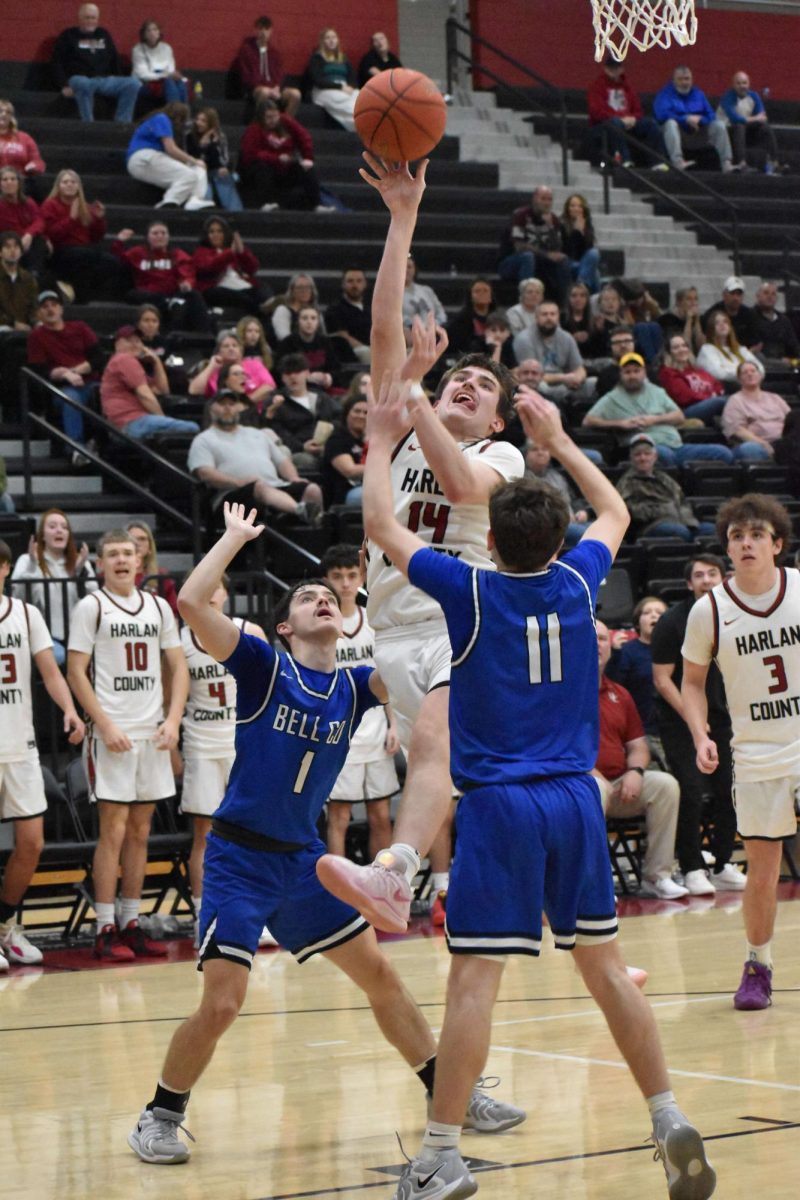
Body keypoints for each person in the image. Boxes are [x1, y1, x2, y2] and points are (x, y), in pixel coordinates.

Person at [354, 376, 713, 1199]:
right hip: (577, 802)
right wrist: (558, 440)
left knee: (474, 980)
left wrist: (381, 440)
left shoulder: (471, 591)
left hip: (502, 807)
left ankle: (441, 1155)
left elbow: (380, 524)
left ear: (494, 540)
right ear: (558, 539)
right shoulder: (582, 581)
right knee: (609, 971)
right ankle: (666, 1116)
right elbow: (616, 512)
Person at [127, 503, 524, 1166]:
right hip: (240, 858)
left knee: (382, 978)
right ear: (284, 625)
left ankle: (448, 1093)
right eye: (306, 597)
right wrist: (230, 536)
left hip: (306, 864)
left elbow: (436, 677)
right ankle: (160, 1113)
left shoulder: (358, 685)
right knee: (223, 1003)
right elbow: (193, 601)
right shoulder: (262, 665)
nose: (322, 599)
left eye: (329, 595)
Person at [315, 155, 525, 938]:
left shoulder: (502, 459)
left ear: (498, 419)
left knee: (437, 745)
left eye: (482, 388)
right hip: (393, 631)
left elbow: (464, 487)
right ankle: (552, 913)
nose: (466, 385)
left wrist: (415, 392)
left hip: (462, 618)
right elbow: (382, 325)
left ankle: (397, 874)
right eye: (458, 380)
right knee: (470, 779)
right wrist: (403, 215)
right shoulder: (399, 428)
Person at [681, 494, 800, 1010]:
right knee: (762, 867)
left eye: (756, 534)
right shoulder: (709, 610)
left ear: (777, 544)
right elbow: (691, 682)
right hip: (756, 752)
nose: (745, 542)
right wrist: (701, 732)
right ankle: (758, 964)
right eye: (736, 536)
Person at [67, 527, 188, 961]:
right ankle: (104, 927)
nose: (121, 559)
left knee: (141, 831)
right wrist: (103, 723)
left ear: (140, 561)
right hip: (112, 735)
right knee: (113, 832)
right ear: (101, 563)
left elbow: (178, 667)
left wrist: (173, 721)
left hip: (151, 733)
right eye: (113, 553)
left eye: (128, 552)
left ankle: (132, 921)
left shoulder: (158, 607)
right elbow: (75, 672)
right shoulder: (91, 606)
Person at [0, 538, 85, 970]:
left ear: (3, 570)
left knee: (31, 843)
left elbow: (50, 671)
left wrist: (70, 709)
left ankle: (3, 925)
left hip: (20, 747)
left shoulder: (26, 613)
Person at [177, 573, 266, 943]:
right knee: (206, 834)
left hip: (243, 743)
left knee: (255, 832)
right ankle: (205, 915)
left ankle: (255, 913)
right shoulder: (178, 641)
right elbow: (174, 695)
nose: (211, 594)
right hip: (200, 742)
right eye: (204, 586)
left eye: (216, 587)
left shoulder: (252, 631)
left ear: (226, 594)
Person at [651, 554, 744, 896]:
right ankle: (691, 867)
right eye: (700, 576)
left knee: (730, 790)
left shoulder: (736, 617)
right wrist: (695, 720)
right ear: (689, 584)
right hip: (678, 720)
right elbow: (662, 679)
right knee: (689, 790)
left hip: (723, 717)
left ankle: (723, 864)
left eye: (713, 573)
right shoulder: (673, 621)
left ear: (724, 578)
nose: (707, 580)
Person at [596, 619, 686, 899]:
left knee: (665, 785)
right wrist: (593, 776)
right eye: (588, 638)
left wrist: (635, 770)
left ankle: (657, 877)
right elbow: (560, 750)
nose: (595, 644)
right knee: (593, 790)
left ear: (610, 646)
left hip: (620, 784)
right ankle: (594, 884)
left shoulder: (619, 694)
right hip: (582, 783)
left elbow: (638, 745)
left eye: (601, 639)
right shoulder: (561, 692)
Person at [321, 544, 399, 858]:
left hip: (376, 730)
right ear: (325, 578)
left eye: (352, 575)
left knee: (380, 814)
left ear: (362, 577)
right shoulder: (320, 623)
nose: (345, 583)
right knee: (338, 817)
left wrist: (394, 723)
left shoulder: (375, 620)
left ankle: (383, 888)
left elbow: (388, 676)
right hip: (339, 731)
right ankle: (338, 898)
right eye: (337, 576)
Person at [187, 390, 323, 523]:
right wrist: (238, 482)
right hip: (232, 495)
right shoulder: (204, 439)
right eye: (222, 404)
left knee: (312, 489)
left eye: (232, 404)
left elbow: (282, 461)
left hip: (274, 487)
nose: (228, 408)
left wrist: (294, 478)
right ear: (211, 409)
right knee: (259, 486)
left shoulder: (257, 433)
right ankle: (299, 509)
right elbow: (205, 473)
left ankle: (316, 532)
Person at [583, 352, 734, 466]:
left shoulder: (657, 391)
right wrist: (620, 424)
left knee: (723, 453)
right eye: (627, 372)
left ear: (644, 372)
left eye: (636, 371)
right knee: (663, 454)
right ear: (620, 375)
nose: (632, 376)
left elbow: (679, 416)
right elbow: (588, 421)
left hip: (677, 446)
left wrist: (655, 419)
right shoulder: (612, 398)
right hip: (647, 450)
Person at [11, 508, 98, 666]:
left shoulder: (80, 561)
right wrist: (32, 567)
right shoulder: (26, 560)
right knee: (58, 656)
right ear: (42, 535)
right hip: (43, 636)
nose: (59, 530)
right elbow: (17, 598)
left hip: (78, 635)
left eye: (64, 527)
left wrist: (80, 574)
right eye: (52, 526)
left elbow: (95, 598)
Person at [26, 289, 101, 455]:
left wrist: (74, 371)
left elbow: (98, 358)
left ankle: (107, 445)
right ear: (39, 313)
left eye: (54, 305)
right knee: (70, 398)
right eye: (45, 307)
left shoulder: (80, 328)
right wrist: (64, 375)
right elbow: (39, 371)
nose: (50, 309)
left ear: (61, 309)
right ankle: (76, 449)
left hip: (90, 383)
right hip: (60, 388)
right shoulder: (36, 336)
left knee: (106, 392)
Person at [100, 324, 200, 440]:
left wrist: (156, 361)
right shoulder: (123, 359)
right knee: (193, 428)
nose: (135, 344)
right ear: (117, 344)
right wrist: (162, 418)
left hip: (128, 424)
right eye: (128, 341)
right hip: (129, 423)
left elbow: (162, 390)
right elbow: (145, 396)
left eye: (137, 341)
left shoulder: (123, 363)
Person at [40, 168, 127, 302]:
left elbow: (96, 237)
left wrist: (99, 219)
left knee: (112, 262)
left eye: (73, 182)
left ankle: (82, 294)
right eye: (65, 182)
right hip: (61, 251)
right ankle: (77, 295)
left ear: (78, 186)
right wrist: (71, 219)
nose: (69, 184)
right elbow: (52, 234)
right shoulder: (50, 205)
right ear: (59, 186)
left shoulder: (85, 206)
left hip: (84, 250)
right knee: (84, 256)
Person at [113, 221, 212, 333]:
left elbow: (186, 272)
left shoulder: (176, 254)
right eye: (155, 233)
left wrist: (187, 283)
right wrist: (119, 241)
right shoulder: (138, 252)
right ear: (147, 237)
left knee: (194, 295)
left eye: (163, 233)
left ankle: (205, 336)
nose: (160, 236)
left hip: (172, 293)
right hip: (147, 294)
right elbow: (118, 260)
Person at [617, 433, 717, 541]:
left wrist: (688, 519)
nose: (643, 458)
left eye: (647, 453)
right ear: (631, 458)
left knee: (712, 530)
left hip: (683, 522)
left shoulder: (665, 478)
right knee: (679, 532)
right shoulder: (626, 482)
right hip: (650, 527)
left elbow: (682, 501)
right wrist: (665, 509)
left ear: (654, 457)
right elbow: (629, 511)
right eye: (638, 454)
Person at [52, 3, 140, 123]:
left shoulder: (104, 34)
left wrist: (117, 78)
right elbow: (57, 62)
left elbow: (115, 59)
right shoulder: (68, 35)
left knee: (133, 83)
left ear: (97, 19)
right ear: (79, 18)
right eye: (87, 17)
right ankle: (88, 123)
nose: (90, 21)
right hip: (80, 79)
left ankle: (122, 123)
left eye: (93, 18)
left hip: (103, 80)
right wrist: (63, 85)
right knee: (83, 83)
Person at [239, 99, 325, 212]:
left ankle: (316, 204)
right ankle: (266, 202)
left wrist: (307, 157)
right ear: (261, 117)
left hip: (284, 168)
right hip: (263, 169)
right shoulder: (254, 129)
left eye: (275, 116)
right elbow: (250, 154)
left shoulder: (286, 121)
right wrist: (276, 158)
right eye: (269, 117)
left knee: (306, 168)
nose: (273, 120)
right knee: (262, 168)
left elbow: (304, 137)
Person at [125, 103, 214, 213]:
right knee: (189, 175)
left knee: (198, 170)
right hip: (144, 157)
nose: (180, 124)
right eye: (182, 120)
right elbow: (171, 149)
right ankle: (169, 202)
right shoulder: (162, 118)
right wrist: (194, 160)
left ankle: (195, 199)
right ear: (177, 116)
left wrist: (196, 164)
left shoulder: (158, 120)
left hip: (146, 161)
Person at [587, 53, 668, 166]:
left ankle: (658, 162)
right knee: (615, 123)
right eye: (611, 68)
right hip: (604, 125)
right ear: (605, 68)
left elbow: (638, 110)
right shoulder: (597, 86)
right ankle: (625, 159)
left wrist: (634, 118)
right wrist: (621, 118)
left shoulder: (628, 87)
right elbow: (596, 112)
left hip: (627, 122)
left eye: (617, 68)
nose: (614, 71)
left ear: (621, 69)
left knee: (650, 124)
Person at [263, 351, 340, 471]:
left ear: (307, 374)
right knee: (306, 460)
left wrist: (327, 442)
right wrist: (302, 446)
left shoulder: (322, 397)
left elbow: (339, 418)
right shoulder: (276, 402)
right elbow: (278, 431)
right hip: (297, 451)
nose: (293, 377)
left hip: (327, 446)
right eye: (288, 373)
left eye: (297, 372)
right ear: (282, 377)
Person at [606, 595, 667, 740]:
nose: (654, 615)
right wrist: (615, 654)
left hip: (674, 728)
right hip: (642, 731)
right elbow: (613, 687)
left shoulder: (678, 650)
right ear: (638, 623)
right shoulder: (626, 651)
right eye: (647, 613)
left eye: (660, 613)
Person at [497, 185, 571, 303]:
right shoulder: (520, 215)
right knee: (527, 256)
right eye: (543, 199)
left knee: (563, 261)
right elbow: (519, 246)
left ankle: (565, 304)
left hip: (539, 262)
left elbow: (557, 251)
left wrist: (551, 227)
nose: (547, 203)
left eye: (549, 199)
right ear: (534, 199)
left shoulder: (553, 220)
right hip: (510, 262)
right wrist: (546, 255)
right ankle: (526, 302)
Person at [653, 65, 733, 172]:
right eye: (680, 79)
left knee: (719, 125)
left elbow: (711, 115)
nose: (684, 82)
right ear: (673, 80)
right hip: (679, 133)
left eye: (687, 79)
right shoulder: (665, 94)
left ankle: (726, 164)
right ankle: (678, 162)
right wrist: (685, 119)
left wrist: (700, 120)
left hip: (698, 132)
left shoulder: (698, 94)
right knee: (670, 123)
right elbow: (661, 115)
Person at [512, 300, 591, 405]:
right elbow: (529, 375)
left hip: (566, 383)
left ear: (558, 317)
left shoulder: (566, 337)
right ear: (536, 317)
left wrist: (578, 378)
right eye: (544, 314)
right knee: (542, 387)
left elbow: (579, 367)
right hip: (538, 383)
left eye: (552, 314)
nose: (549, 318)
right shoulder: (524, 339)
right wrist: (564, 378)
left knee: (592, 383)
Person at [523, 437, 589, 546]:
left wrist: (581, 511)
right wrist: (561, 516)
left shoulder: (558, 476)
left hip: (574, 522)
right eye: (534, 450)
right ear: (526, 454)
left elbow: (574, 500)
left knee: (604, 531)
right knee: (588, 534)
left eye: (544, 449)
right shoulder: (522, 478)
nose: (540, 453)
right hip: (549, 526)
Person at [721, 360, 791, 461]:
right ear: (739, 379)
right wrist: (763, 444)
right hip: (759, 444)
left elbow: (792, 420)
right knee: (749, 449)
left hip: (784, 443)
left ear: (760, 375)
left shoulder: (775, 398)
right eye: (745, 372)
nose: (750, 374)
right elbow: (737, 430)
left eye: (753, 371)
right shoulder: (735, 400)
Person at [192, 217, 263, 314]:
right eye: (211, 232)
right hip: (214, 289)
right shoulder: (201, 252)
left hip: (239, 285)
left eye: (219, 231)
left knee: (263, 291)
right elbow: (210, 267)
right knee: (246, 299)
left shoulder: (231, 250)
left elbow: (253, 268)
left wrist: (242, 252)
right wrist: (229, 253)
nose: (215, 235)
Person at [235, 15, 301, 117]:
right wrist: (264, 87)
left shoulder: (274, 52)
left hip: (274, 87)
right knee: (264, 92)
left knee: (295, 94)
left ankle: (285, 124)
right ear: (255, 30)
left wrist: (277, 87)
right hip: (255, 88)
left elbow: (279, 74)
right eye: (260, 29)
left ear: (271, 31)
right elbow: (246, 75)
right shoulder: (246, 50)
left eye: (266, 29)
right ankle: (262, 125)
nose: (263, 32)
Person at [717, 71, 779, 173]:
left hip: (744, 132)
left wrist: (755, 119)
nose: (742, 86)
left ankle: (775, 163)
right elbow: (735, 119)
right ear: (733, 85)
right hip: (727, 135)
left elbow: (763, 117)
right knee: (739, 126)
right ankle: (742, 164)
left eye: (744, 83)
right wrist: (755, 118)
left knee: (765, 127)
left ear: (749, 84)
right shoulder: (727, 97)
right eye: (738, 83)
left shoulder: (753, 96)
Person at [658, 333, 727, 424]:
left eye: (684, 346)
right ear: (669, 352)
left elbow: (718, 386)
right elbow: (685, 397)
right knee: (723, 402)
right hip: (687, 410)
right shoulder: (668, 372)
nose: (681, 350)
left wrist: (713, 396)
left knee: (735, 399)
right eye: (676, 347)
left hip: (709, 403)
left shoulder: (698, 370)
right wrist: (710, 397)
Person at [186, 109, 243, 213]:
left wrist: (213, 145)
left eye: (203, 121)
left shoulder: (219, 137)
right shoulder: (189, 136)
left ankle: (235, 213)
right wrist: (202, 146)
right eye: (198, 119)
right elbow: (194, 159)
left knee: (225, 175)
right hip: (197, 171)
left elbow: (223, 161)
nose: (199, 123)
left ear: (211, 124)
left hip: (214, 171)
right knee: (203, 178)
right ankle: (206, 209)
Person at [276, 305, 342, 390]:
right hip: (297, 389)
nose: (309, 322)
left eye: (313, 318)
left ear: (318, 322)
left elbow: (336, 367)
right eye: (304, 318)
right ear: (298, 322)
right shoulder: (287, 343)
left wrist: (328, 377)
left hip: (323, 388)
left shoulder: (325, 341)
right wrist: (307, 378)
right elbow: (281, 372)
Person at [321, 392, 368, 507]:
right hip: (345, 494)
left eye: (366, 413)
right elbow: (350, 471)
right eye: (357, 411)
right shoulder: (337, 439)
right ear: (347, 413)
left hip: (368, 487)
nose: (361, 416)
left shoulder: (370, 439)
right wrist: (385, 468)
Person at [0, 167, 48, 276]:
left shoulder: (28, 202)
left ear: (19, 183)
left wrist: (29, 234)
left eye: (13, 179)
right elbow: (11, 227)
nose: (9, 182)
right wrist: (28, 235)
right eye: (5, 179)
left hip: (27, 242)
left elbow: (39, 221)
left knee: (39, 241)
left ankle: (34, 275)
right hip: (7, 243)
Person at [308, 28, 359, 132]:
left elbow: (352, 76)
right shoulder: (317, 58)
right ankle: (359, 123)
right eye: (328, 38)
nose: (331, 40)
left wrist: (351, 86)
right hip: (325, 89)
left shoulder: (343, 58)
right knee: (343, 101)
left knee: (361, 97)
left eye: (334, 37)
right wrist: (340, 87)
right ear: (323, 41)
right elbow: (318, 80)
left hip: (345, 87)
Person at [126, 520, 179, 616]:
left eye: (142, 539)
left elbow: (173, 614)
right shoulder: (112, 575)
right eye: (132, 539)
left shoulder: (162, 577)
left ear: (150, 547)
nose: (137, 543)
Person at [696, 310, 763, 385]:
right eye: (717, 323)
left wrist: (730, 369)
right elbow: (719, 374)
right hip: (726, 389)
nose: (722, 324)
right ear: (711, 329)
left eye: (725, 322)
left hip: (749, 386)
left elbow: (760, 368)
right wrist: (746, 373)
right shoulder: (707, 349)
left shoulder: (740, 349)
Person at [131, 20, 188, 106]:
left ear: (159, 33)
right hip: (144, 83)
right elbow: (142, 74)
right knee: (169, 82)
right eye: (148, 30)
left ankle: (183, 113)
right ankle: (174, 114)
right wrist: (164, 75)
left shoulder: (166, 48)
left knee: (180, 82)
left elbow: (171, 69)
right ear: (143, 34)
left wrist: (171, 75)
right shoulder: (138, 50)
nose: (152, 33)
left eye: (155, 29)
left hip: (164, 79)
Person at [325, 268, 372, 365]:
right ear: (343, 284)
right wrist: (369, 348)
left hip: (373, 347)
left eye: (359, 281)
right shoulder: (335, 309)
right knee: (367, 353)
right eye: (350, 281)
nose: (355, 285)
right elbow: (343, 336)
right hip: (352, 352)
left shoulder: (370, 308)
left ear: (365, 284)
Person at [702, 276, 759, 349]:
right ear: (724, 295)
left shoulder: (749, 314)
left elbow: (756, 342)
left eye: (739, 294)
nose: (735, 298)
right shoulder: (713, 313)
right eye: (732, 293)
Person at [560, 193, 601, 293]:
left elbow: (588, 250)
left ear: (583, 209)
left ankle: (581, 286)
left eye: (579, 206)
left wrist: (583, 233)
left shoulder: (587, 225)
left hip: (582, 263)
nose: (576, 209)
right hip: (567, 262)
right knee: (594, 272)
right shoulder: (560, 224)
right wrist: (577, 232)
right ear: (567, 208)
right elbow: (568, 251)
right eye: (572, 206)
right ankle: (583, 291)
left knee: (594, 254)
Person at [445, 277, 495, 357]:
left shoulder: (499, 318)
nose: (482, 293)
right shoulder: (461, 319)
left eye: (485, 291)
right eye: (477, 291)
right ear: (470, 296)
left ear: (491, 296)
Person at [751, 281, 799, 364]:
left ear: (777, 298)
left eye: (773, 294)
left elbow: (794, 345)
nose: (770, 297)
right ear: (758, 296)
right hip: (758, 364)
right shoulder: (749, 317)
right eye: (766, 293)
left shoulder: (784, 320)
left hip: (783, 366)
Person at [268, 272, 323, 343]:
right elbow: (284, 337)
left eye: (307, 287)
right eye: (300, 287)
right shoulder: (283, 310)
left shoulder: (316, 311)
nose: (304, 291)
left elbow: (323, 335)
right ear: (292, 291)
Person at [0, 232, 37, 332]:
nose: (12, 250)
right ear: (0, 252)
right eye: (7, 247)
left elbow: (34, 306)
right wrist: (12, 323)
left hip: (25, 326)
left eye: (16, 247)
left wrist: (35, 322)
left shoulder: (28, 278)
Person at [0, 99, 46, 179]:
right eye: (0, 111)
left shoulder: (24, 138)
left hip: (19, 182)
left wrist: (33, 166)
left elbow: (37, 162)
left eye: (8, 112)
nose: (4, 114)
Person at [402, 254, 447, 334]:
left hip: (432, 332)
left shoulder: (426, 290)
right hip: (408, 334)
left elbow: (441, 313)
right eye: (403, 266)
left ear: (415, 269)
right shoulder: (392, 295)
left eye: (409, 267)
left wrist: (433, 326)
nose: (406, 270)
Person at [657, 285, 706, 356]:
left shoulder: (700, 319)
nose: (693, 302)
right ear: (678, 302)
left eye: (695, 299)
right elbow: (684, 345)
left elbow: (702, 348)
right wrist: (689, 321)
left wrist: (697, 322)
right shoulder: (668, 319)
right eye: (689, 299)